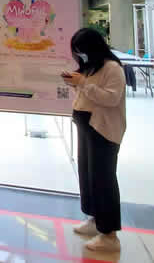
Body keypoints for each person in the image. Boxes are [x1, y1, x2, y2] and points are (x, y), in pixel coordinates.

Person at [61, 28, 126, 253]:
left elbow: (111, 98)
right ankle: (94, 218)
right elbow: (86, 94)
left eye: (82, 51)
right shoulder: (91, 67)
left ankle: (109, 234)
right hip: (86, 127)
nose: (80, 56)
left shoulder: (112, 68)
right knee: (88, 176)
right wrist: (77, 82)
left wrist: (83, 83)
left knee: (103, 178)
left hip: (103, 130)